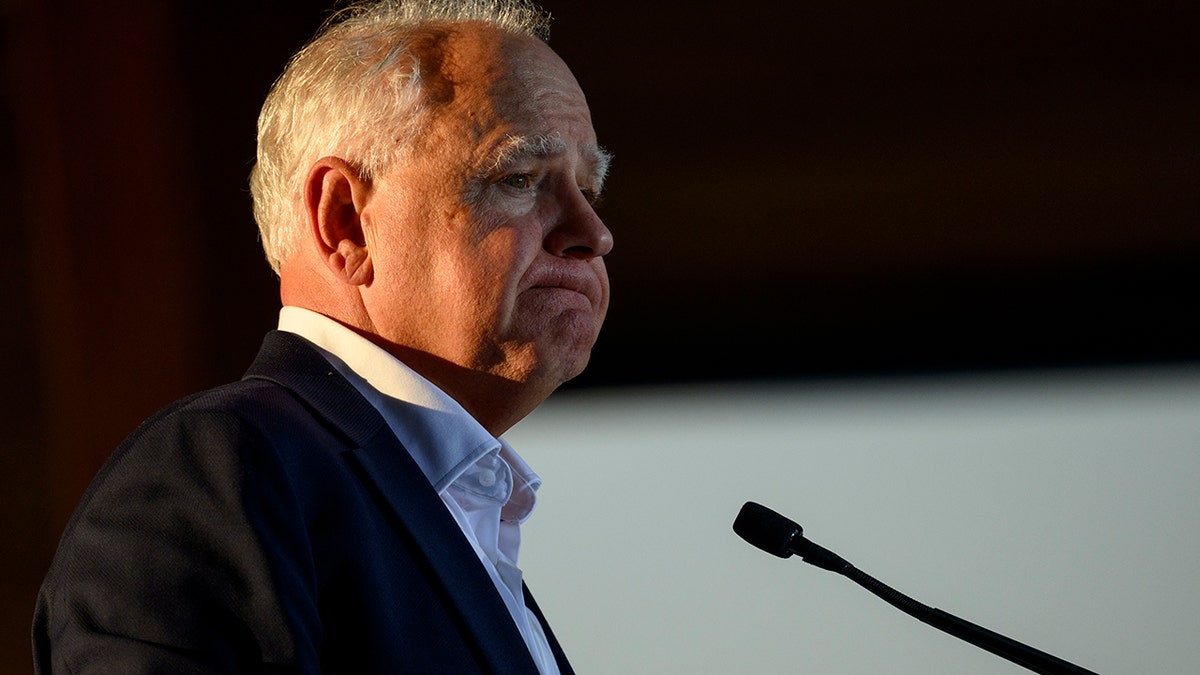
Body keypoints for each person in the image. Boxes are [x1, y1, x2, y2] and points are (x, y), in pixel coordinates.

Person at [33, 0, 612, 672]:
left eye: (590, 190)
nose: (593, 234)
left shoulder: (455, 513)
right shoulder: (217, 474)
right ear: (345, 221)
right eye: (519, 178)